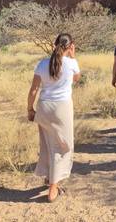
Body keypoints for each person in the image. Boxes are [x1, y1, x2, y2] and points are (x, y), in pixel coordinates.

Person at [27, 33, 81, 203]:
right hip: (62, 109)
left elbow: (34, 90)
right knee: (63, 146)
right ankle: (53, 186)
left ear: (54, 44)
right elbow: (76, 79)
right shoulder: (71, 63)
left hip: (44, 107)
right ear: (70, 45)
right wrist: (73, 56)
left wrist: (30, 109)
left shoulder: (42, 64)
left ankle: (48, 176)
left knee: (48, 143)